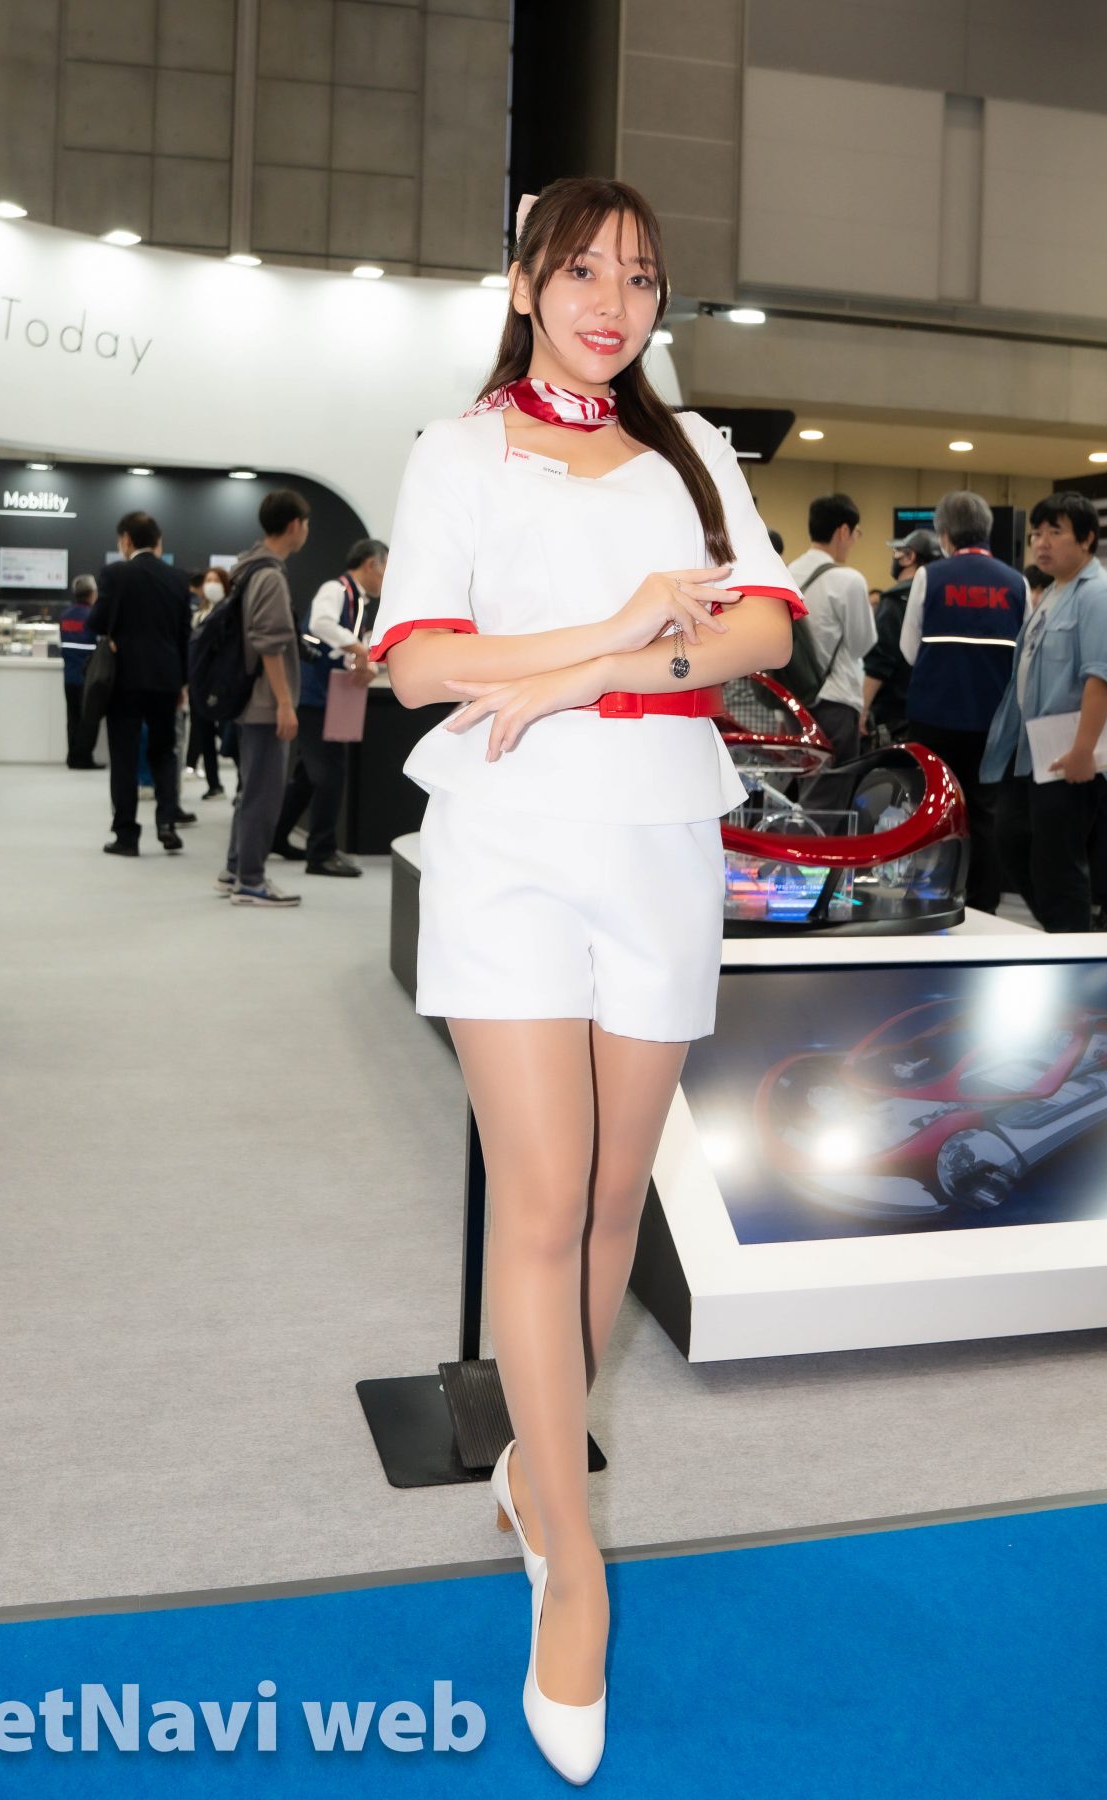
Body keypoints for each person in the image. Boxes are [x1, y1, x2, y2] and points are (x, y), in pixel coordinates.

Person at [367, 176, 805, 1784]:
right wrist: (605, 633)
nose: (612, 304)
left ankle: (534, 1475)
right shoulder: (460, 450)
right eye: (582, 273)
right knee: (543, 1199)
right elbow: (420, 663)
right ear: (525, 284)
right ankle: (573, 1568)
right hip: (510, 840)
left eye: (639, 278)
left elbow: (763, 633)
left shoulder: (690, 456)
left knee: (619, 1199)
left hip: (663, 832)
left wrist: (608, 666)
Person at [981, 491, 1107, 931]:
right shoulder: (1055, 592)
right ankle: (1068, 932)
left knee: (1058, 861)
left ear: (1087, 539)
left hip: (1068, 748)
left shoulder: (1098, 595)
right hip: (1031, 749)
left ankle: (1073, 943)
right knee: (1011, 838)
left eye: (1055, 532)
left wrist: (1084, 751)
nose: (1042, 542)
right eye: (1037, 533)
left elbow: (1101, 679)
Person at [899, 493, 1026, 912]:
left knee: (932, 805)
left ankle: (931, 896)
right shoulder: (1017, 582)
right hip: (994, 719)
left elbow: (909, 649)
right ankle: (983, 903)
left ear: (945, 533)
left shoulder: (929, 576)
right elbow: (1024, 655)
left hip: (934, 713)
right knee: (985, 812)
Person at [272, 537, 387, 876]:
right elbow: (320, 624)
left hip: (328, 696)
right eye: (386, 569)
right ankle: (320, 854)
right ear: (371, 564)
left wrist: (365, 661)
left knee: (307, 775)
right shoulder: (335, 590)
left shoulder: (359, 601)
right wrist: (359, 650)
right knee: (329, 775)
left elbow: (345, 646)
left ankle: (276, 836)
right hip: (314, 696)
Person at [216, 490, 308, 907]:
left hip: (248, 697)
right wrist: (284, 703)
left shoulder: (247, 567)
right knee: (264, 793)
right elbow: (269, 643)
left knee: (250, 788)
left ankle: (235, 869)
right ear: (294, 525)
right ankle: (251, 880)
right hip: (265, 701)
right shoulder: (269, 575)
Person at [88, 510, 192, 856]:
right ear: (156, 541)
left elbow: (96, 621)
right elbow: (184, 636)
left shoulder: (115, 574)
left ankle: (126, 836)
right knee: (164, 752)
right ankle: (167, 823)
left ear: (126, 540)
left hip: (125, 679)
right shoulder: (177, 578)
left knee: (124, 757)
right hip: (166, 679)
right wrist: (182, 683)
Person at [787, 494, 877, 770]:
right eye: (856, 533)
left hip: (793, 700)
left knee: (801, 781)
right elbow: (862, 644)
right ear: (843, 531)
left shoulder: (787, 573)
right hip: (835, 701)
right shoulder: (849, 580)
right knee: (833, 786)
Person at [861, 528, 941, 745]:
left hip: (894, 714)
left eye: (897, 552)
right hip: (931, 710)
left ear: (909, 556)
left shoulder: (895, 601)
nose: (894, 558)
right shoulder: (939, 599)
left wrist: (863, 708)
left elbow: (880, 660)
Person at [186, 566, 229, 798]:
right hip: (199, 683)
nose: (210, 584)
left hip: (222, 684)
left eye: (216, 580)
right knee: (204, 733)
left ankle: (242, 784)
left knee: (227, 733)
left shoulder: (230, 612)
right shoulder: (199, 614)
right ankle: (214, 784)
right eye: (208, 580)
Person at [59, 573, 104, 770]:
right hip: (88, 677)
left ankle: (72, 757)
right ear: (92, 593)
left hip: (69, 676)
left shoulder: (64, 616)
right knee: (89, 719)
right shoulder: (93, 617)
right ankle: (84, 758)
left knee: (73, 717)